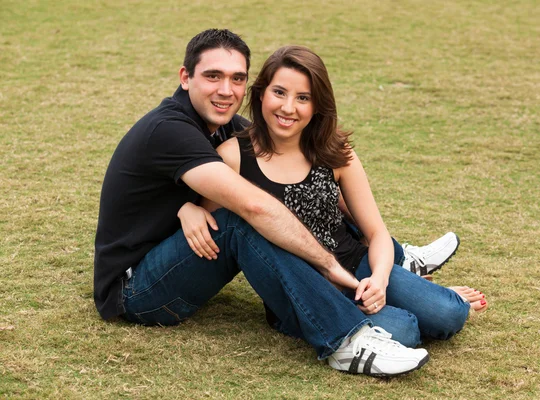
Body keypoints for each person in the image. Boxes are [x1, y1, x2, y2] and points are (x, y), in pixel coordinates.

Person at [94, 29, 430, 377]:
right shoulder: (168, 128)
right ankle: (344, 342)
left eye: (236, 78)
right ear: (185, 77)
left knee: (295, 199)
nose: (226, 90)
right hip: (136, 290)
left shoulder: (224, 122)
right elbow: (253, 206)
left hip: (181, 253)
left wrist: (380, 243)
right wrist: (330, 266)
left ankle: (401, 256)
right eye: (213, 76)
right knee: (244, 220)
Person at [182, 46, 487, 365]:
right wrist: (186, 209)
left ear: (317, 106)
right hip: (303, 290)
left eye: (303, 97)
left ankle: (419, 295)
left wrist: (380, 281)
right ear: (260, 95)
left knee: (450, 313)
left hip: (359, 269)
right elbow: (223, 231)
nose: (288, 107)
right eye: (279, 92)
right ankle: (413, 301)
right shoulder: (233, 157)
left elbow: (377, 233)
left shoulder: (334, 151)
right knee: (406, 330)